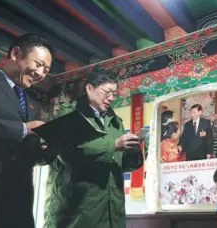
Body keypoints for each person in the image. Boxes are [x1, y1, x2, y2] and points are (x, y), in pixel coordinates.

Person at [44, 68, 144, 228]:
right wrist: (114, 145)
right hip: (78, 211)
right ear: (89, 88)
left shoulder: (115, 121)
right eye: (106, 92)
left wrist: (133, 152)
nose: (111, 98)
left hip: (112, 210)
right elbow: (68, 154)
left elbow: (120, 165)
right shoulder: (69, 114)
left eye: (114, 93)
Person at [0, 33, 55, 228]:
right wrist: (23, 129)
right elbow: (21, 131)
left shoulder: (31, 102)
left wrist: (47, 147)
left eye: (47, 70)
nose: (41, 74)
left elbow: (28, 146)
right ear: (16, 53)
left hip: (22, 195)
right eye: (38, 64)